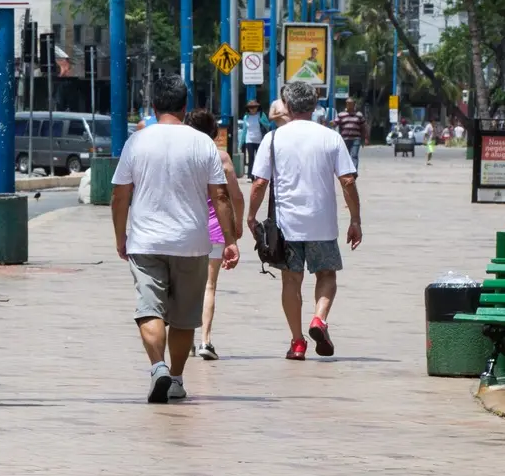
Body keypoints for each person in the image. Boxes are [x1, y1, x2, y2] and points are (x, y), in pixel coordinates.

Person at [111, 75, 240, 404]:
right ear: (185, 107)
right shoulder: (203, 144)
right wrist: (230, 239)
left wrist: (120, 236)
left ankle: (158, 368)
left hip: (146, 242)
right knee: (184, 317)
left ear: (154, 106)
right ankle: (177, 379)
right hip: (191, 242)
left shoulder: (136, 142)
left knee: (149, 308)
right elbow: (220, 196)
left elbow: (119, 195)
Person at [247, 81, 362, 361]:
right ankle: (319, 319)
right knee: (326, 275)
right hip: (322, 224)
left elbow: (260, 183)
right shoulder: (330, 137)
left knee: (290, 281)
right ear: (314, 105)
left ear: (287, 106)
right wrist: (355, 219)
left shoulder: (273, 138)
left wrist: (250, 216)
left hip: (285, 227)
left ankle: (297, 342)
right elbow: (347, 181)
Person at [185, 109, 245, 361]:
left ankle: (185, 339)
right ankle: (205, 341)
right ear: (213, 132)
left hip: (186, 228)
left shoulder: (181, 157)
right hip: (215, 228)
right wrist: (237, 225)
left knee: (186, 286)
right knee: (209, 285)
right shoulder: (221, 157)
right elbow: (236, 197)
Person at [334, 97, 368, 170]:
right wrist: (331, 123)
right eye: (347, 103)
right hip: (345, 139)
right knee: (345, 156)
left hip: (356, 139)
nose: (349, 105)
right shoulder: (341, 115)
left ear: (354, 104)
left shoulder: (359, 115)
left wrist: (365, 138)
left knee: (354, 155)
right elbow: (335, 123)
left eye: (350, 103)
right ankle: (346, 171)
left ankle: (354, 172)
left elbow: (363, 127)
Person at [240, 99, 268, 177]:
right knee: (251, 158)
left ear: (257, 107)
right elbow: (244, 131)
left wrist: (262, 121)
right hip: (249, 140)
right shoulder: (246, 117)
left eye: (254, 107)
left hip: (259, 140)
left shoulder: (261, 115)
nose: (252, 109)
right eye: (250, 107)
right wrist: (241, 143)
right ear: (248, 108)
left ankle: (259, 174)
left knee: (259, 158)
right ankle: (250, 175)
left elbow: (267, 125)